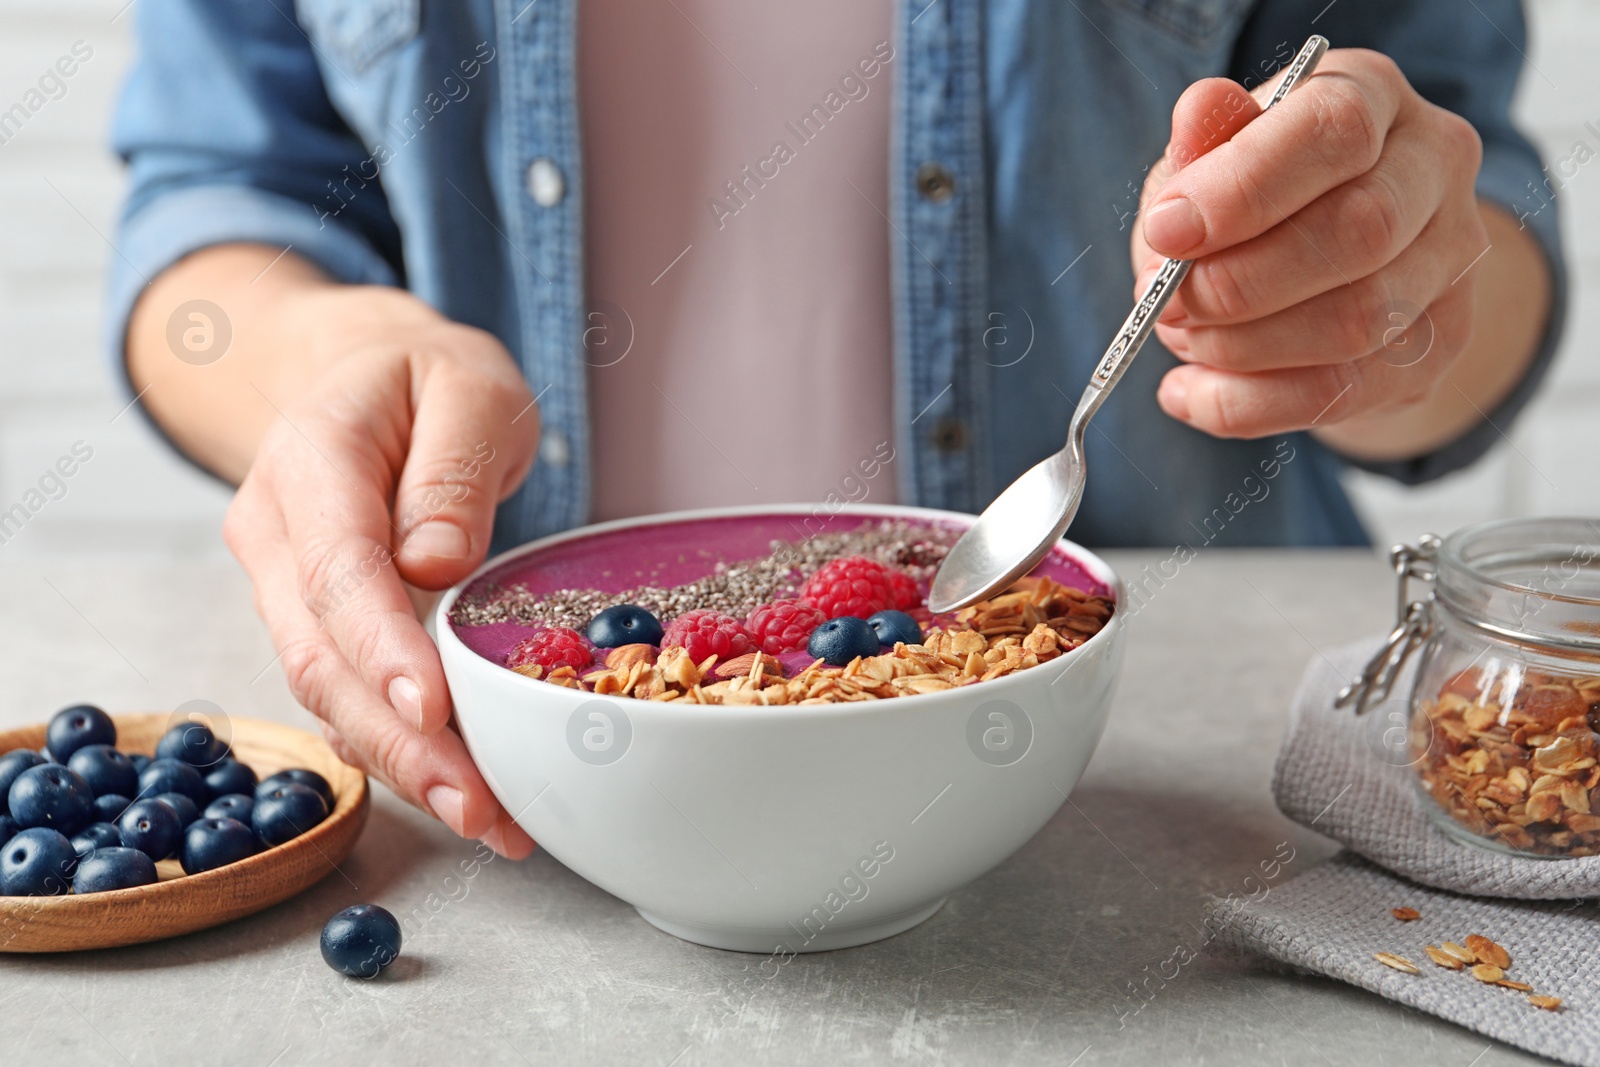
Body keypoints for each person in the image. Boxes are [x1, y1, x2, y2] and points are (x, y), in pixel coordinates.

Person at [109, 0, 1562, 858]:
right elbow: (212, 192)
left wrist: (1384, 301)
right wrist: (333, 353)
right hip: (527, 775)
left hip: (1167, 795)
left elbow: (1482, 245)